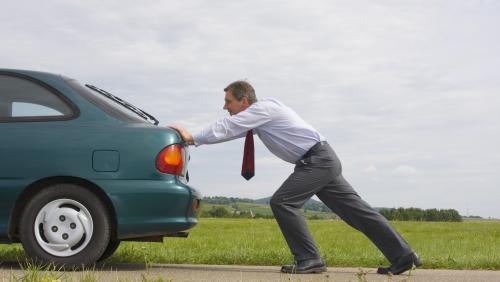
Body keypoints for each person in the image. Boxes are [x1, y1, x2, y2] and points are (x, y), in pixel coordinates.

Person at [169, 80, 421, 275]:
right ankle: (404, 256)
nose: (225, 107)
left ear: (244, 101)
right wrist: (198, 140)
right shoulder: (258, 117)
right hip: (320, 160)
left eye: (228, 101)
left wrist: (191, 136)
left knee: (283, 202)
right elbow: (228, 132)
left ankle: (309, 259)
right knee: (357, 212)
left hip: (317, 161)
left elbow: (227, 126)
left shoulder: (264, 108)